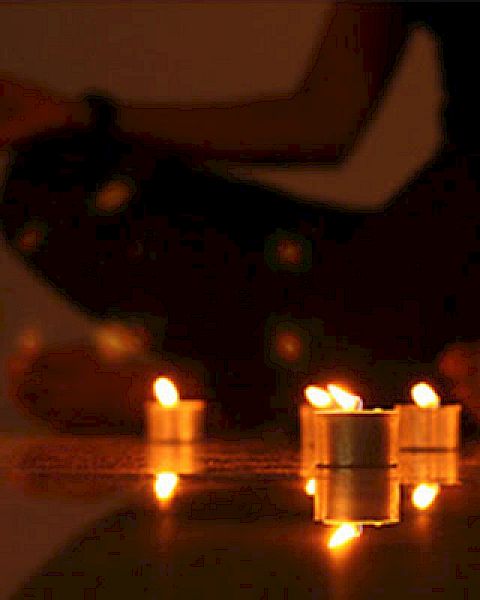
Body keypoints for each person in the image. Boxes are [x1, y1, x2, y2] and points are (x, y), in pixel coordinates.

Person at [1, 2, 480, 433]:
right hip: (446, 230)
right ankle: (280, 375)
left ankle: (238, 392)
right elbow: (323, 120)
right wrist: (81, 116)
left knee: (400, 316)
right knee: (54, 176)